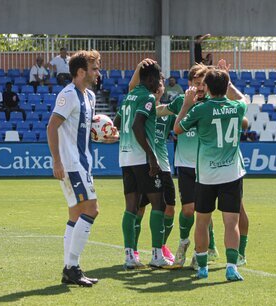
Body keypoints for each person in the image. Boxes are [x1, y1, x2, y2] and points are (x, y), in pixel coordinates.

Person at [47, 49, 118, 287]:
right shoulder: (68, 95)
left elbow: (83, 130)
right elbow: (52, 127)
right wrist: (56, 161)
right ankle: (72, 266)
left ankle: (70, 270)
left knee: (76, 215)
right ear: (81, 72)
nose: (99, 73)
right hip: (72, 163)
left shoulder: (89, 96)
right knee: (92, 209)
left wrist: (104, 137)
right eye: (95, 68)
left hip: (82, 162)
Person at [173, 60, 247, 281]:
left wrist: (186, 105)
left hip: (206, 175)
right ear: (225, 87)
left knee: (203, 221)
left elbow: (177, 129)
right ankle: (231, 266)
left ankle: (203, 267)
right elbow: (243, 99)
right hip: (231, 174)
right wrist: (229, 81)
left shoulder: (201, 109)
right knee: (230, 222)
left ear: (208, 87)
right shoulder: (237, 107)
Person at [156, 64, 219, 268]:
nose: (200, 87)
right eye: (196, 83)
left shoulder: (211, 103)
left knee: (204, 211)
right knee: (189, 210)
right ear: (190, 83)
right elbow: (160, 111)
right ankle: (183, 244)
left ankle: (203, 251)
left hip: (206, 165)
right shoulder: (180, 102)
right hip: (185, 165)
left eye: (203, 83)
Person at [114, 62, 174, 269]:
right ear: (150, 79)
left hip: (125, 158)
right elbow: (137, 125)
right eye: (158, 79)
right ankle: (157, 255)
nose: (159, 84)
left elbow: (116, 123)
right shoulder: (147, 97)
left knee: (131, 208)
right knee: (159, 205)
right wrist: (152, 156)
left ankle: (130, 256)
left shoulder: (127, 97)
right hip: (141, 159)